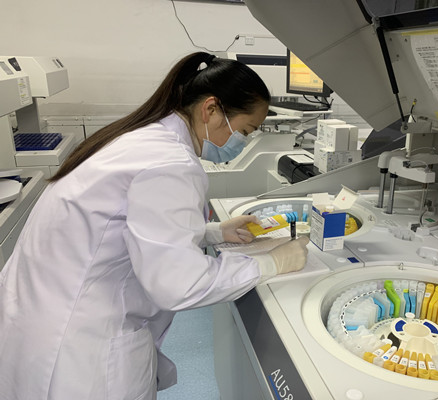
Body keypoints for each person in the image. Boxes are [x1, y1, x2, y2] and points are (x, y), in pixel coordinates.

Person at [0, 52, 310, 400]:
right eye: (245, 131)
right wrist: (272, 262)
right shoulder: (170, 163)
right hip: (79, 349)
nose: (243, 142)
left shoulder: (144, 138)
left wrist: (213, 232)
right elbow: (181, 285)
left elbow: (125, 228)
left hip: (39, 323)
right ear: (210, 109)